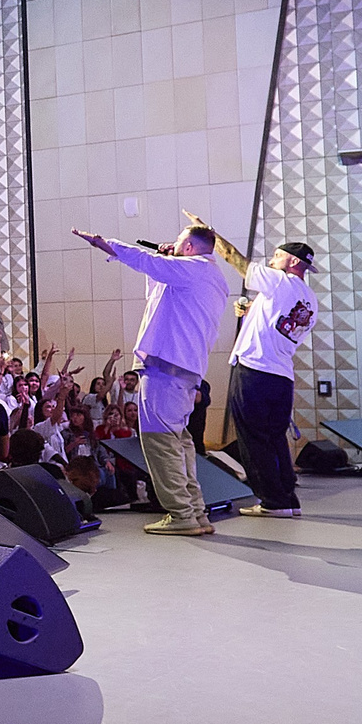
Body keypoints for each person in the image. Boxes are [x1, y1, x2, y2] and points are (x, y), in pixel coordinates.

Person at [72, 222, 233, 536]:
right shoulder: (210, 276)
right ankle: (195, 512)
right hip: (183, 371)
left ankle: (181, 514)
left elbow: (148, 262)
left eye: (178, 242)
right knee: (180, 442)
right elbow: (158, 293)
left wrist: (103, 242)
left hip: (166, 370)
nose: (172, 245)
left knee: (160, 443)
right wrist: (162, 264)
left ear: (188, 247)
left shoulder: (194, 269)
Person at [192, 213, 318, 518]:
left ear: (292, 263)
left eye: (277, 256)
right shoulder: (310, 299)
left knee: (252, 438)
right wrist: (249, 311)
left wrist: (211, 232)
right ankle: (287, 499)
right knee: (275, 437)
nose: (271, 260)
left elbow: (236, 259)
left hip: (254, 370)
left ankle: (271, 501)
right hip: (281, 376)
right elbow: (280, 326)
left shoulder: (280, 280)